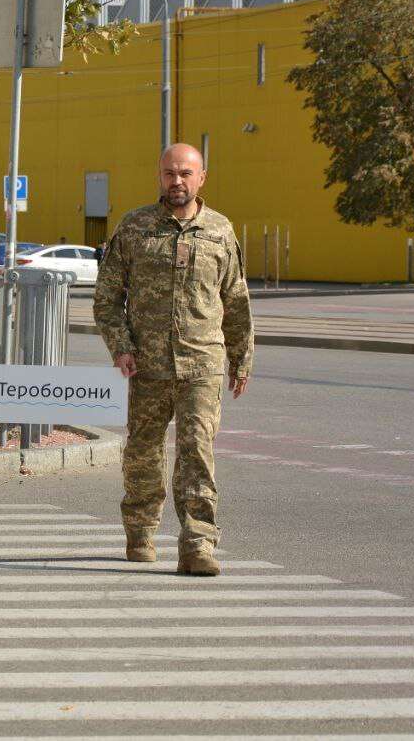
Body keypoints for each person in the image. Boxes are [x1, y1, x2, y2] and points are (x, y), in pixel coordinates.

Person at [91, 142, 253, 577]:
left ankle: (198, 543)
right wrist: (121, 346)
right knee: (143, 452)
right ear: (159, 176)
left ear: (201, 178)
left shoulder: (220, 231)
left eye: (185, 173)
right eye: (169, 173)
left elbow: (236, 301)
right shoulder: (136, 227)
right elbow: (107, 298)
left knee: (197, 451)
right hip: (148, 366)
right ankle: (140, 531)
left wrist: (242, 359)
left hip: (203, 363)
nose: (176, 181)